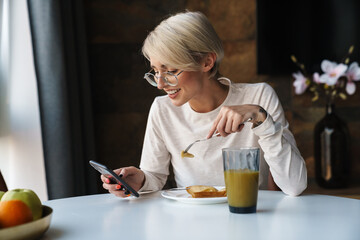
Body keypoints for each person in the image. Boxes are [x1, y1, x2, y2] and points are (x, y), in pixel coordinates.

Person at [101, 11, 307, 197]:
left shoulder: (259, 97)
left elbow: (295, 185)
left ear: (207, 62)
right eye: (155, 72)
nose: (160, 84)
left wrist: (261, 119)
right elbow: (154, 175)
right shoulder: (162, 109)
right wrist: (140, 180)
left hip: (248, 216)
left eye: (170, 71)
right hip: (190, 223)